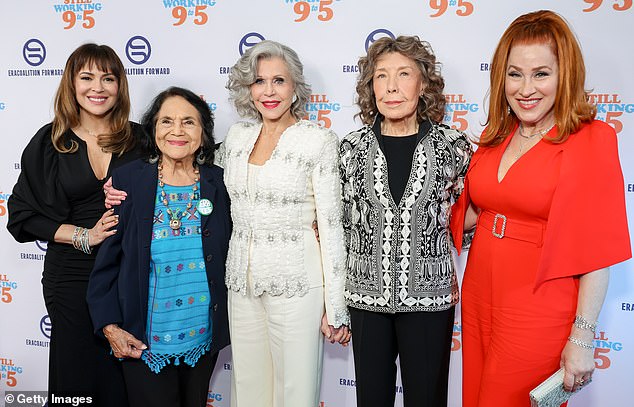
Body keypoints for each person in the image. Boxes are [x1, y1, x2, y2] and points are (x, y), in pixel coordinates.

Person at [450, 10, 631, 406]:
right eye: (515, 74)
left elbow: (597, 251)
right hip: (480, 296)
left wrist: (583, 336)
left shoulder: (591, 139)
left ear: (564, 75)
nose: (526, 88)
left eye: (541, 74)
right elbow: (480, 212)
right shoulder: (496, 134)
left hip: (538, 304)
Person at [339, 35, 472, 407]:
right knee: (371, 399)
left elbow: (469, 219)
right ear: (371, 86)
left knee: (428, 399)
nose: (392, 86)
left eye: (403, 74)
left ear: (424, 83)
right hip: (364, 299)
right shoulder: (349, 150)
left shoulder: (455, 147)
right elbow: (338, 229)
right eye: (381, 76)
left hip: (431, 299)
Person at [7, 43, 142, 405]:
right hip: (70, 278)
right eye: (87, 77)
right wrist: (86, 235)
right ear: (72, 83)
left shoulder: (140, 139)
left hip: (126, 275)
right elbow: (22, 214)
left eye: (107, 78)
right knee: (77, 377)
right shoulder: (49, 142)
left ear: (120, 85)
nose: (97, 88)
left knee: (123, 380)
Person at [219, 39, 350, 407]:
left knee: (296, 390)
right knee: (246, 386)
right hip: (241, 284)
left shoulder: (318, 141)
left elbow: (331, 225)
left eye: (279, 80)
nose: (269, 91)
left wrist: (335, 306)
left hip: (297, 284)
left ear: (295, 87)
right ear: (248, 88)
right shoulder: (237, 137)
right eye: (259, 81)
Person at [86, 86, 231, 407]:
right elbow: (106, 265)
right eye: (166, 121)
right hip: (142, 342)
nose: (177, 131)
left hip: (203, 340)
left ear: (204, 133)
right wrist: (110, 327)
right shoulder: (128, 181)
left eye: (189, 122)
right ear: (153, 130)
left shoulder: (220, 182)